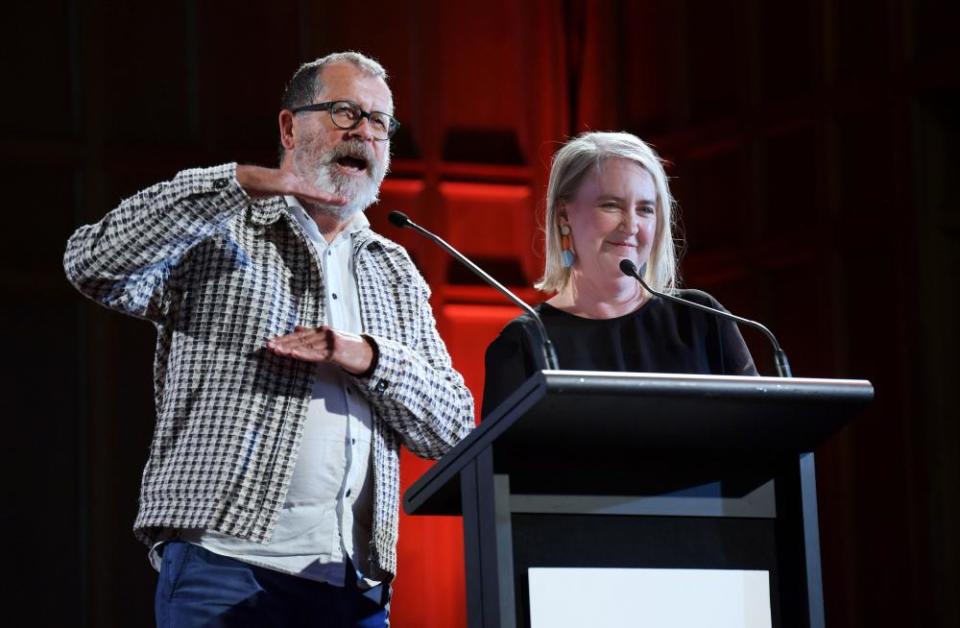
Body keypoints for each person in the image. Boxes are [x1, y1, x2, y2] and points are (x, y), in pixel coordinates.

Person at [64, 51, 474, 627]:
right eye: (343, 111)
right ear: (289, 126)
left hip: (353, 586)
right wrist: (235, 184)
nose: (364, 131)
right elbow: (94, 264)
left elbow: (453, 427)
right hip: (224, 568)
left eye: (379, 122)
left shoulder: (393, 269)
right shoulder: (219, 230)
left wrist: (367, 357)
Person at [482, 131, 757, 415]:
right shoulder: (524, 342)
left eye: (645, 209)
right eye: (611, 205)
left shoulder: (700, 319)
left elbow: (761, 431)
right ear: (564, 215)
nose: (631, 226)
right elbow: (504, 458)